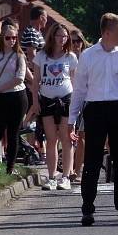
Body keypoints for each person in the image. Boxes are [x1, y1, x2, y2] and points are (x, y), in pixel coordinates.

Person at [68, 13, 118, 226]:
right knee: (92, 161)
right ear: (106, 33)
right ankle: (88, 208)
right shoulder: (89, 55)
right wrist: (72, 119)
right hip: (96, 110)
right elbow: (79, 90)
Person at [31, 23, 78, 191]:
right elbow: (36, 81)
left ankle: (65, 176)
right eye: (59, 35)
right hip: (47, 99)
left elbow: (74, 81)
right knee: (51, 140)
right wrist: (35, 102)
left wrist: (76, 104)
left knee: (67, 139)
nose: (62, 39)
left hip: (66, 99)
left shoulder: (70, 57)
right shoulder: (42, 56)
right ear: (52, 36)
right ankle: (51, 177)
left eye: (65, 36)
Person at [0, 23, 28, 174]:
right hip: (0, 98)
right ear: (2, 38)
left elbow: (19, 79)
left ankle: (10, 167)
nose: (12, 41)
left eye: (14, 38)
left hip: (17, 96)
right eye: (8, 38)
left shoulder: (19, 56)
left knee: (13, 133)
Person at [69, 29, 89, 183]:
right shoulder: (65, 57)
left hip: (86, 99)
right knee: (67, 136)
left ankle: (78, 169)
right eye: (73, 41)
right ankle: (69, 168)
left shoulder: (87, 56)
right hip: (68, 98)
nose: (76, 44)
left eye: (78, 41)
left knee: (81, 136)